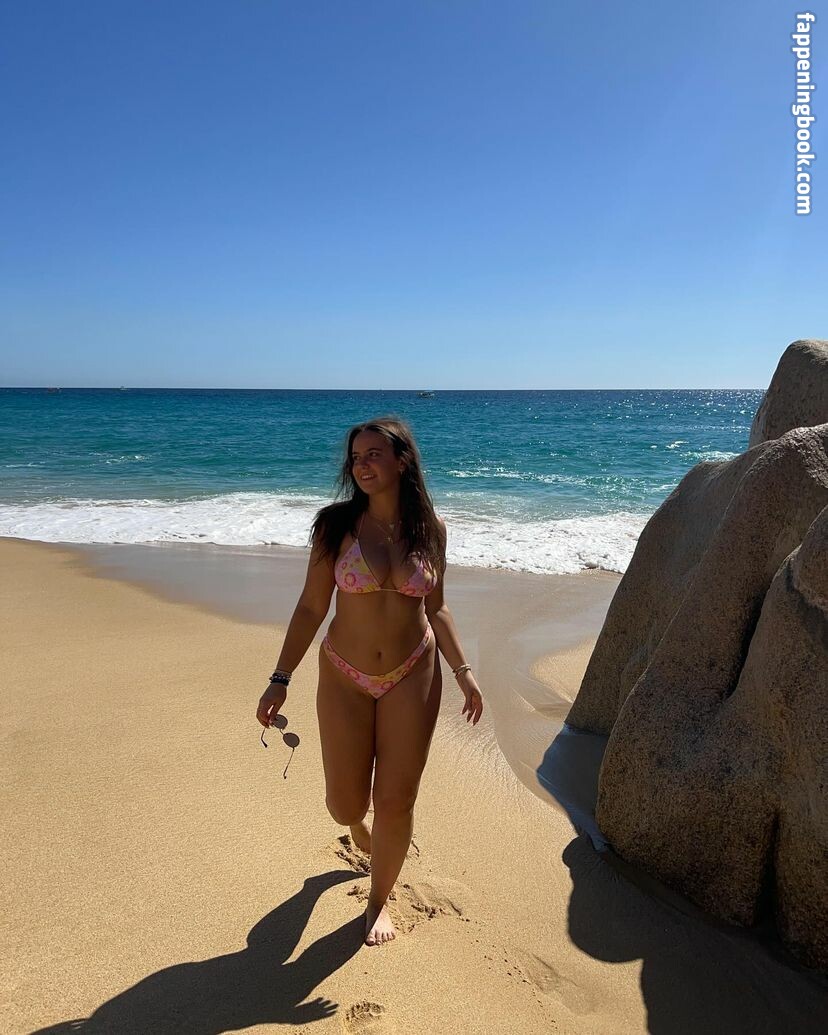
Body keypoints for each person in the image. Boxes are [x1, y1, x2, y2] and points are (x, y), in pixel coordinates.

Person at [256, 416, 484, 947]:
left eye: (374, 454)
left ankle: (378, 900)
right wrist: (280, 678)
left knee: (397, 800)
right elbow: (312, 606)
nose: (362, 465)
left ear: (402, 461)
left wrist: (464, 672)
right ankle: (357, 826)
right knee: (345, 805)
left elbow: (437, 607)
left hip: (413, 671)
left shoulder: (431, 529)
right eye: (356, 457)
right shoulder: (335, 527)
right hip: (344, 673)